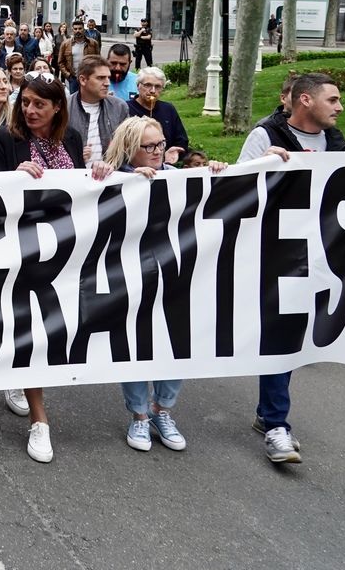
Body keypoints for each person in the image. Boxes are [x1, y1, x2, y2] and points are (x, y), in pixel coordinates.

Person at [237, 72, 345, 464]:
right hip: (276, 254)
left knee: (294, 336)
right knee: (282, 334)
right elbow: (237, 188)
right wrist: (263, 164)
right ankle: (277, 425)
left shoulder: (335, 141)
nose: (340, 107)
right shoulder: (265, 135)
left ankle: (268, 415)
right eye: (333, 100)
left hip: (320, 257)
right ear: (305, 101)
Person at [99, 116, 226, 452]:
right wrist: (124, 180)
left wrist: (214, 172)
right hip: (134, 277)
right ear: (130, 150)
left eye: (160, 144)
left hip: (177, 278)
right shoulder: (118, 179)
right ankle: (139, 415)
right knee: (138, 344)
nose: (158, 151)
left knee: (177, 343)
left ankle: (162, 410)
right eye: (149, 146)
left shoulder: (180, 178)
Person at [0, 72, 88, 463]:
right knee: (31, 330)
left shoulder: (73, 140)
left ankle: (16, 376)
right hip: (20, 249)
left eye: (39, 104)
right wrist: (13, 179)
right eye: (25, 102)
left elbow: (80, 187)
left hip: (63, 248)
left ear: (57, 107)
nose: (29, 110)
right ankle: (39, 419)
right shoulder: (6, 139)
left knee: (50, 328)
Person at [68, 55, 130, 164]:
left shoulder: (119, 107)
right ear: (83, 80)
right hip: (75, 176)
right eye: (100, 78)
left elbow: (128, 147)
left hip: (111, 176)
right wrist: (76, 158)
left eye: (108, 77)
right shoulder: (64, 108)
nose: (107, 83)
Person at [126, 66, 189, 162]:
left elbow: (181, 140)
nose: (152, 91)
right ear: (138, 86)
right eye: (147, 85)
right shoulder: (126, 108)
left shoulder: (168, 109)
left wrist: (174, 152)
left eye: (158, 87)